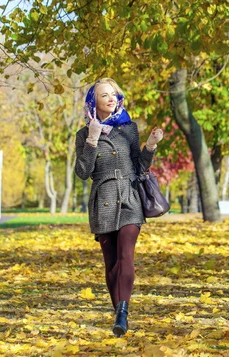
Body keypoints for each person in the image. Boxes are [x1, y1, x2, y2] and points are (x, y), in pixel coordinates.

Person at [75, 78, 163, 337]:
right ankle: (118, 316)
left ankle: (122, 312)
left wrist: (151, 146)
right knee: (111, 263)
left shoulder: (129, 129)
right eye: (105, 95)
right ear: (94, 102)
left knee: (126, 255)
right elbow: (82, 172)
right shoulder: (84, 134)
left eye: (114, 94)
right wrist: (91, 141)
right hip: (102, 199)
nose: (111, 99)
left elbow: (140, 166)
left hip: (129, 198)